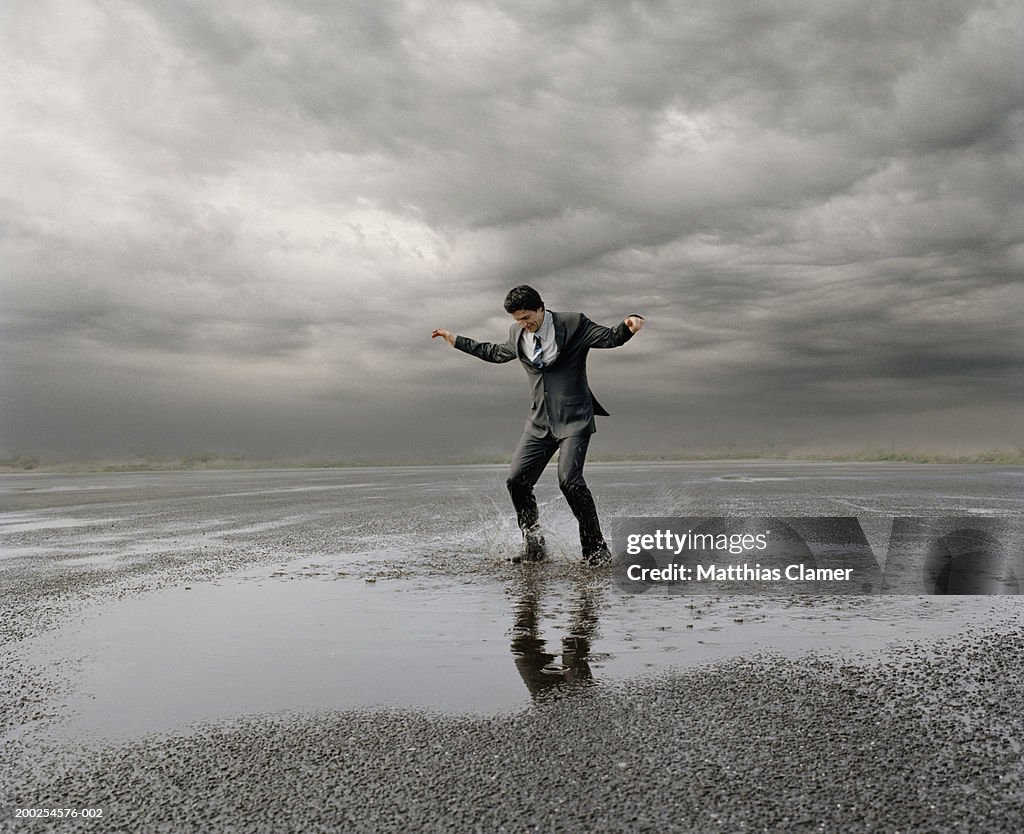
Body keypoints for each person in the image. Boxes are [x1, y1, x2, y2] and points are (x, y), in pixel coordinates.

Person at [432, 285, 644, 565]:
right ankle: (534, 547)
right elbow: (494, 352)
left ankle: (595, 551)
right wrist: (455, 340)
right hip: (539, 421)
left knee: (569, 481)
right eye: (518, 319)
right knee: (516, 480)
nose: (524, 324)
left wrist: (629, 325)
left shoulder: (573, 323)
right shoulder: (517, 333)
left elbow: (608, 338)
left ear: (541, 307)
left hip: (573, 419)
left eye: (527, 317)